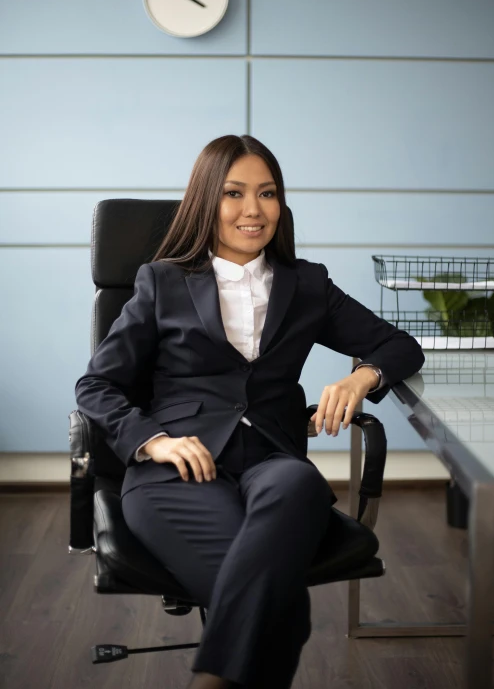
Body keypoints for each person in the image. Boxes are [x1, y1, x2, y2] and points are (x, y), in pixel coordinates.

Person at [75, 134, 425, 688]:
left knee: (299, 487)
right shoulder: (162, 281)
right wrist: (153, 441)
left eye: (267, 193)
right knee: (279, 608)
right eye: (234, 193)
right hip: (177, 468)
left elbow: (400, 345)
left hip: (273, 459)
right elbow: (96, 384)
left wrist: (361, 376)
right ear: (206, 200)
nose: (252, 210)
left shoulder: (307, 284)